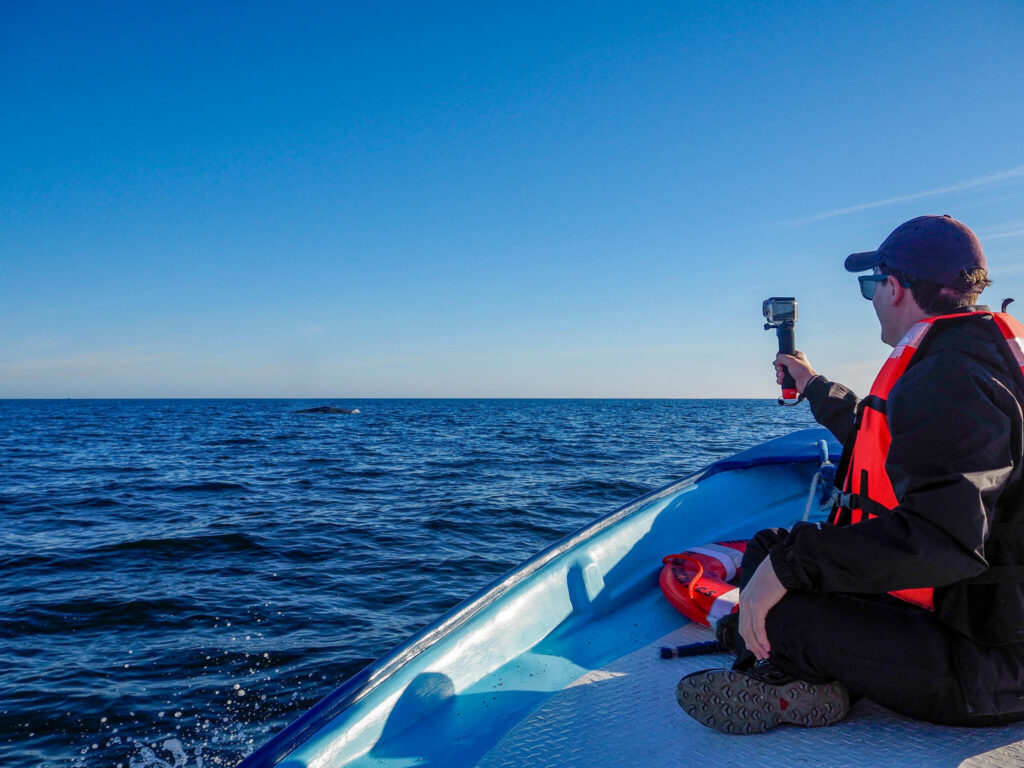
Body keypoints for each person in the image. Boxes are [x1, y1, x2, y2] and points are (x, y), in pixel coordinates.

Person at [676, 214, 1024, 735]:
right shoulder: (965, 360)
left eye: (871, 286)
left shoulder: (950, 380)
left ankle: (795, 678)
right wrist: (814, 384)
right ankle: (794, 666)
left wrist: (794, 567)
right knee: (770, 548)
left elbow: (943, 541)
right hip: (976, 623)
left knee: (779, 604)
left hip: (986, 672)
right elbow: (883, 437)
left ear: (897, 287)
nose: (873, 300)